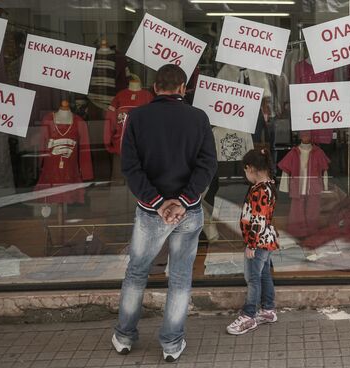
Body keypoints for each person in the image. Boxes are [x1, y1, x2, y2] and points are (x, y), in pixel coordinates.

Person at [111, 64, 217, 362]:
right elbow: (207, 166)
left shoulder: (138, 117)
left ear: (155, 88)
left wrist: (158, 203)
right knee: (180, 277)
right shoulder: (198, 118)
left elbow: (130, 167)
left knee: (136, 273)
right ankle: (171, 344)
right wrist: (182, 201)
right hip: (188, 211)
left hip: (150, 212)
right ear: (183, 89)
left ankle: (124, 336)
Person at [226, 148, 279, 335]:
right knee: (264, 274)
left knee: (253, 277)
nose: (245, 175)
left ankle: (248, 316)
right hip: (266, 240)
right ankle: (268, 310)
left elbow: (258, 218)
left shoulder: (260, 191)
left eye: (245, 171)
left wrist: (251, 244)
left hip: (258, 242)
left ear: (250, 168)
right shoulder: (269, 185)